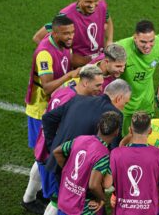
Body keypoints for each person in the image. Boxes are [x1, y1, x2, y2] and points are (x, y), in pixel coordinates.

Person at [22, 14, 79, 214]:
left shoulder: (64, 44)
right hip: (40, 112)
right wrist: (70, 76)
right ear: (54, 33)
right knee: (44, 157)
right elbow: (46, 87)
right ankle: (38, 196)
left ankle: (32, 196)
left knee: (43, 156)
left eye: (72, 32)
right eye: (66, 33)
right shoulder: (44, 53)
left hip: (52, 109)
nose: (71, 36)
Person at [29, 66, 103, 215]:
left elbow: (47, 115)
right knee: (58, 200)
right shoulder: (72, 100)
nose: (100, 90)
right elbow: (51, 122)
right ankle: (28, 198)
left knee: (56, 199)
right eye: (98, 85)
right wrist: (53, 148)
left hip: (48, 152)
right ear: (85, 83)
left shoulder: (65, 91)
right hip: (54, 155)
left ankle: (28, 198)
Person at [42, 79, 131, 175]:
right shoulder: (115, 114)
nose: (123, 107)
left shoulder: (78, 99)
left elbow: (48, 118)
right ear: (119, 98)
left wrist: (51, 145)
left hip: (57, 159)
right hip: (79, 170)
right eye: (125, 103)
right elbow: (113, 149)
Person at [53, 111, 121, 215]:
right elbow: (94, 185)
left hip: (64, 201)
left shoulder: (80, 139)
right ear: (116, 132)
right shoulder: (103, 154)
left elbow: (57, 152)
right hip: (82, 208)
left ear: (98, 126)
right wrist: (102, 199)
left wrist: (68, 169)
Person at [110, 111, 159, 215]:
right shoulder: (158, 154)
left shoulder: (116, 153)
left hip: (123, 210)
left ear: (130, 130)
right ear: (150, 131)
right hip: (149, 210)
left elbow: (108, 181)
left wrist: (114, 194)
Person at [33, 0, 114, 66]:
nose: (92, 5)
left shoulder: (101, 5)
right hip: (78, 67)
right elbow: (38, 37)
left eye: (96, 1)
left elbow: (107, 20)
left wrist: (109, 40)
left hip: (99, 60)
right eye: (88, 2)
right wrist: (62, 56)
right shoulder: (66, 15)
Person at [117, 20, 159, 136]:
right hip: (125, 106)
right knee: (126, 141)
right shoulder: (122, 49)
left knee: (145, 139)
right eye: (143, 42)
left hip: (147, 103)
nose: (148, 46)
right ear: (135, 38)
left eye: (151, 41)